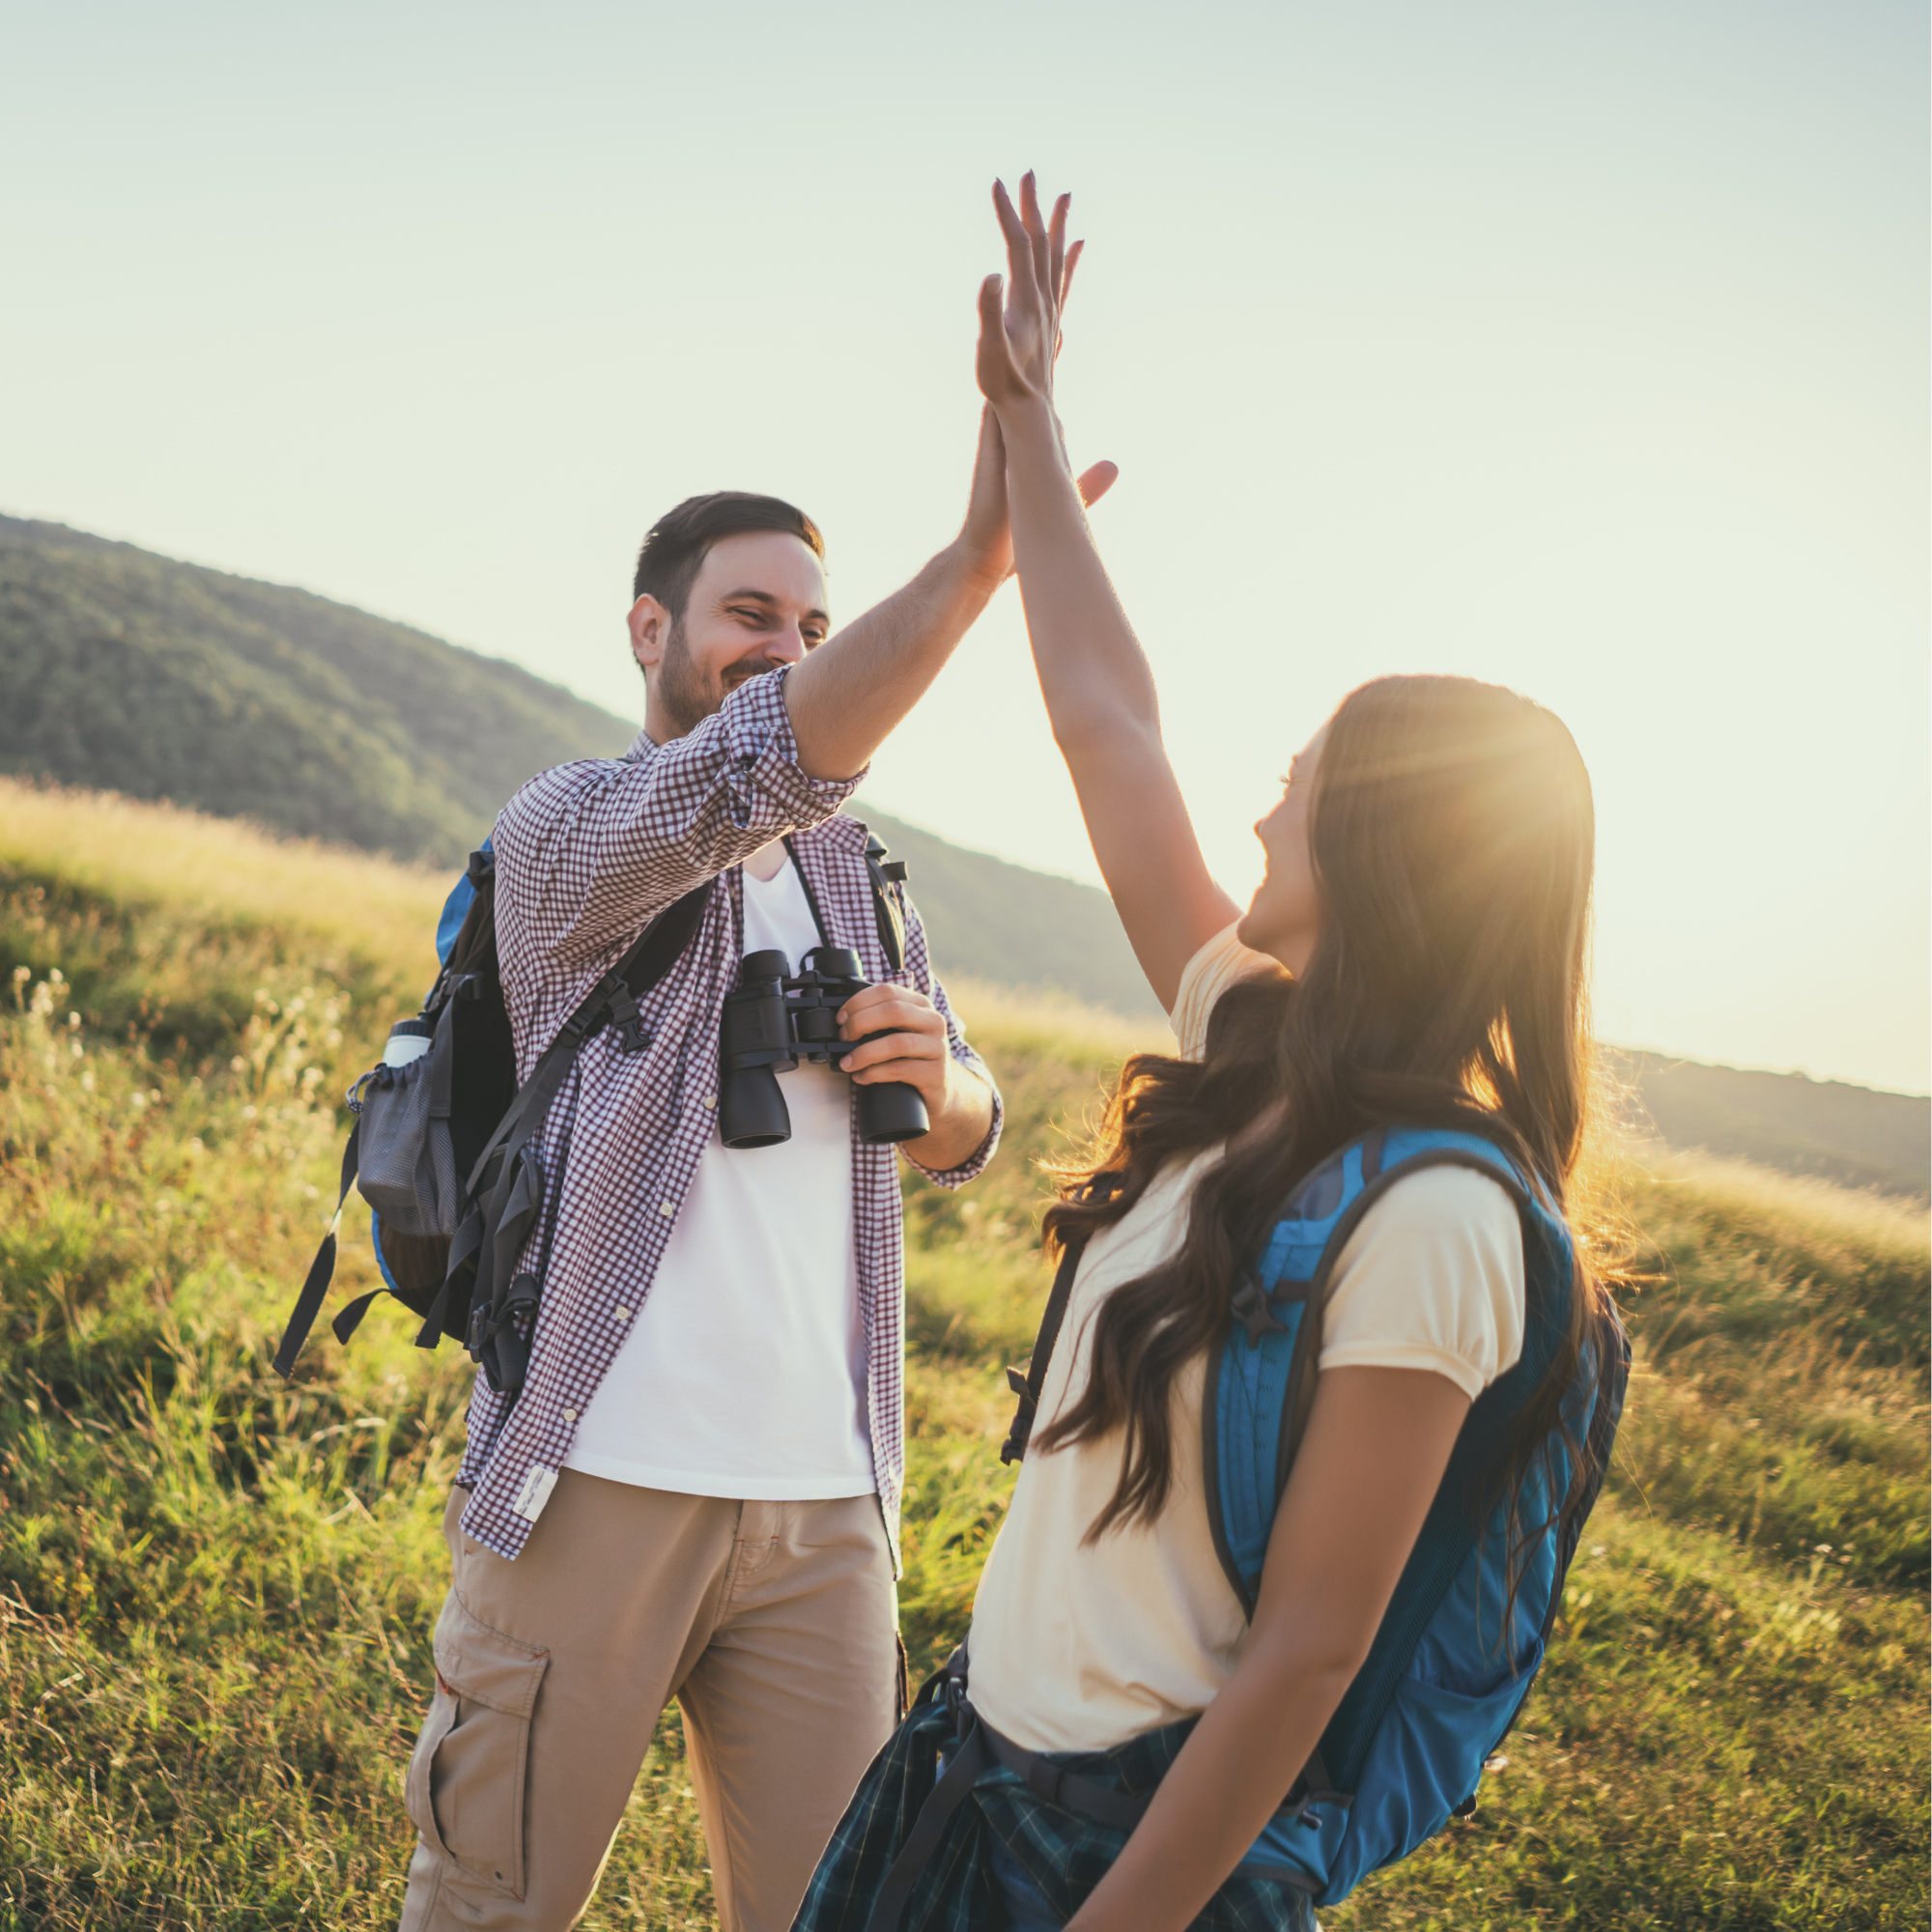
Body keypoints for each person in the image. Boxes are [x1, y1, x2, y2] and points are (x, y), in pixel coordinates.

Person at [797, 178, 1623, 1932]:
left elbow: (1311, 1652)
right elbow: (1110, 729)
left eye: (1303, 783)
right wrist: (1028, 424)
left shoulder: (1443, 1221)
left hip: (1122, 1867)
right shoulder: (1251, 1044)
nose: (1260, 806)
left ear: (1392, 852)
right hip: (969, 1774)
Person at [396, 386, 1115, 1928]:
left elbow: (967, 1120)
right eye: (748, 614)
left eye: (812, 623)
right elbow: (757, 766)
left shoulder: (861, 873)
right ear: (647, 629)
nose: (786, 646)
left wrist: (945, 1081)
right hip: (597, 1476)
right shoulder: (571, 830)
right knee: (490, 1907)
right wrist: (976, 565)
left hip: (825, 1503)